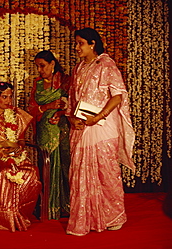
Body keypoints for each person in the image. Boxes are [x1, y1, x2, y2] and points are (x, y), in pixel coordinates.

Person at [65, 28, 135, 236]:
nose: (77, 47)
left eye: (80, 43)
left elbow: (117, 96)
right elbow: (72, 99)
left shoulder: (106, 65)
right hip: (81, 127)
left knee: (107, 173)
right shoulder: (78, 68)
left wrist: (98, 117)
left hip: (102, 128)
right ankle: (85, 219)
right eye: (76, 43)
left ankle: (114, 216)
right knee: (79, 174)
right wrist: (72, 119)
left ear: (92, 44)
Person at [0, 82, 42, 232]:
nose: (8, 100)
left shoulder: (16, 115)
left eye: (10, 97)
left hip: (15, 156)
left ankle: (20, 215)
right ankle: (3, 218)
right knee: (7, 173)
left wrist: (16, 146)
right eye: (4, 97)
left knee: (31, 173)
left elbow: (21, 141)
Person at [28, 50, 71, 220]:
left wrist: (60, 113)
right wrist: (48, 106)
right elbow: (32, 109)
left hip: (62, 129)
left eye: (42, 66)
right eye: (37, 66)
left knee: (65, 167)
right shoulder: (37, 83)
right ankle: (47, 207)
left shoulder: (65, 82)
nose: (39, 70)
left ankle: (67, 205)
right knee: (46, 167)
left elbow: (73, 104)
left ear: (52, 64)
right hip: (44, 130)